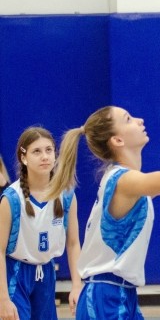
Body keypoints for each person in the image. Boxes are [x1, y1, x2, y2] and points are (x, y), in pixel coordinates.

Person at [45, 74, 160, 320]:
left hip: (121, 294)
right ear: (117, 140)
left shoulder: (124, 182)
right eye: (128, 119)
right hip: (105, 296)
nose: (139, 120)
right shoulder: (122, 180)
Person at [0, 127, 82, 320]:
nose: (44, 156)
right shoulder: (11, 199)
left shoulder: (66, 195)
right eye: (36, 151)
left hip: (46, 274)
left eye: (49, 150)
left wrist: (77, 284)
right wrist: (3, 298)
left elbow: (73, 243)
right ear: (24, 158)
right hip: (16, 274)